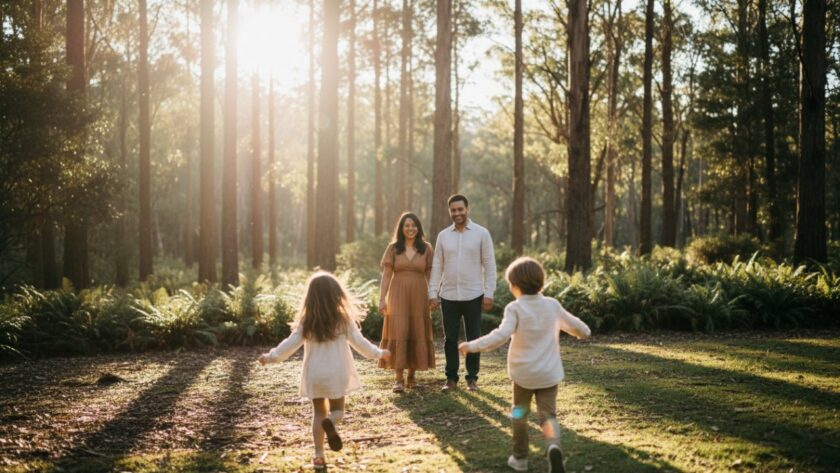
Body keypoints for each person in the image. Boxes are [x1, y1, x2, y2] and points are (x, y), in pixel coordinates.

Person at [459, 257, 590, 473]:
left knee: (519, 415)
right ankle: (553, 446)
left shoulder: (515, 308)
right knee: (549, 415)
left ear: (516, 285)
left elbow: (499, 336)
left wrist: (471, 346)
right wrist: (584, 332)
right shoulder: (552, 305)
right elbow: (577, 327)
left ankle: (520, 459)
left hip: (523, 375)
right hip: (548, 374)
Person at [258, 272, 391, 471]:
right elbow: (360, 343)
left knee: (318, 412)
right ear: (337, 295)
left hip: (316, 374)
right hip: (338, 373)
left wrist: (271, 357)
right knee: (338, 410)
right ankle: (332, 421)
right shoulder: (343, 319)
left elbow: (290, 344)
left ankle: (318, 455)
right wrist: (379, 353)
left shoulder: (307, 322)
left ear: (310, 297)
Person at [428, 194, 497, 392]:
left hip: (474, 294)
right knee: (450, 339)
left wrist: (489, 292)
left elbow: (489, 265)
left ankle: (472, 378)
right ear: (449, 211)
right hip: (448, 295)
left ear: (468, 209)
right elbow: (437, 266)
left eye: (460, 209)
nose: (457, 213)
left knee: (474, 338)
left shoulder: (481, 233)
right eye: (453, 210)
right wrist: (432, 292)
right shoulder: (443, 236)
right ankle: (451, 378)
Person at [378, 212, 436, 392]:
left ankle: (412, 377)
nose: (410, 228)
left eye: (414, 225)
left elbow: (430, 275)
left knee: (416, 330)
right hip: (397, 295)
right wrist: (382, 299)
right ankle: (398, 379)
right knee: (400, 331)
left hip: (419, 295)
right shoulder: (393, 248)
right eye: (406, 225)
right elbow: (387, 276)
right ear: (401, 229)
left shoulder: (426, 248)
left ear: (418, 228)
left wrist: (433, 295)